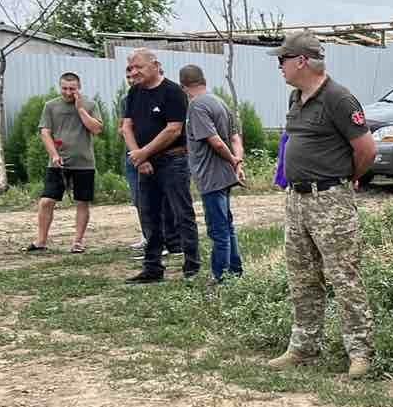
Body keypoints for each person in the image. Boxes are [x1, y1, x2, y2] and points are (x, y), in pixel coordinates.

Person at [268, 30, 377, 379]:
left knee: (344, 276)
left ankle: (360, 352)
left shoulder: (339, 99)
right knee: (302, 278)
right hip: (297, 201)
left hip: (330, 201)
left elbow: (367, 151)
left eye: (282, 60)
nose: (279, 67)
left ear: (302, 61)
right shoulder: (295, 98)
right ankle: (304, 346)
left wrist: (344, 181)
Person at [121, 49, 200, 282]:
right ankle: (153, 267)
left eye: (139, 67)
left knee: (181, 213)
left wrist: (144, 153)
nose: (134, 72)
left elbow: (173, 129)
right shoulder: (134, 92)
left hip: (173, 161)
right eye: (131, 68)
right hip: (145, 164)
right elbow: (127, 126)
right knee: (149, 214)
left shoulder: (173, 92)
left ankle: (192, 266)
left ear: (155, 65)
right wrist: (141, 157)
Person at [179, 64, 245, 282]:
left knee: (218, 230)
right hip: (225, 174)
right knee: (227, 225)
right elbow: (235, 137)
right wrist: (237, 162)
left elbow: (215, 142)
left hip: (211, 176)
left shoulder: (197, 106)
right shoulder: (219, 101)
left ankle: (220, 277)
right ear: (203, 80)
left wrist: (232, 159)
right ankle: (235, 271)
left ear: (183, 87)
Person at [28, 72, 103, 254]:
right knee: (46, 201)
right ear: (59, 87)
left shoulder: (90, 104)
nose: (68, 92)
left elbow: (97, 129)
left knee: (82, 202)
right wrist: (54, 154)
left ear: (79, 88)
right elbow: (45, 132)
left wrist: (80, 109)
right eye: (64, 88)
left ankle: (77, 242)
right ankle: (41, 241)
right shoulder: (51, 106)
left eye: (72, 89)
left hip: (84, 163)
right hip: (58, 163)